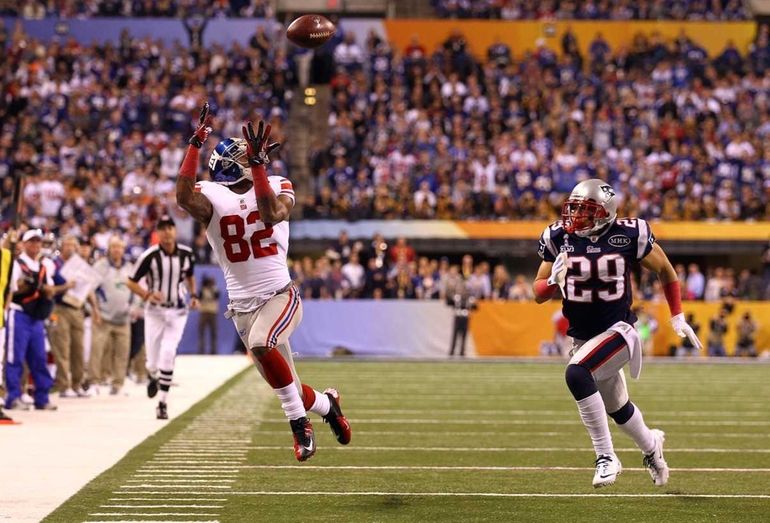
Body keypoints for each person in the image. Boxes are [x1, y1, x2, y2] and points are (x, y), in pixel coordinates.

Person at [175, 103, 351, 461]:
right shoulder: (212, 196)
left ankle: (299, 427)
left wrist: (256, 167)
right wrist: (195, 144)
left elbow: (271, 214)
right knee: (284, 382)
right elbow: (182, 196)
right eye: (247, 153)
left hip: (279, 296)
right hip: (240, 308)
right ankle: (326, 404)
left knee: (261, 344)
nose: (253, 153)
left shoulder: (275, 183)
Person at [533, 179, 702, 488]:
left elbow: (665, 269)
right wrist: (553, 282)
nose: (576, 217)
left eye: (586, 211)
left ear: (606, 213)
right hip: (584, 339)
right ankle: (652, 447)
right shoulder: (558, 237)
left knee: (576, 374)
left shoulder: (628, 234)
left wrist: (677, 315)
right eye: (574, 209)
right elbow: (538, 292)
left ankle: (606, 456)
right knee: (618, 408)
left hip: (619, 332)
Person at [125, 215, 198, 419]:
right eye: (163, 228)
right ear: (157, 232)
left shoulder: (186, 254)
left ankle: (162, 403)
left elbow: (190, 275)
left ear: (175, 231)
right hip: (155, 312)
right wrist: (147, 294)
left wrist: (193, 295)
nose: (167, 232)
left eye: (170, 228)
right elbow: (130, 281)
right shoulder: (149, 256)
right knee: (152, 361)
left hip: (177, 310)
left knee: (168, 351)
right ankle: (152, 374)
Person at [5, 229, 73, 411]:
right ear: (24, 244)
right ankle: (13, 396)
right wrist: (27, 287)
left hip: (37, 316)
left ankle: (42, 397)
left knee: (39, 358)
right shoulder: (17, 264)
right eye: (31, 241)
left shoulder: (45, 265)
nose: (35, 245)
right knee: (15, 357)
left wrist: (48, 289)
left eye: (38, 242)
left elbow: (51, 287)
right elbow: (11, 289)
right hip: (19, 313)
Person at [49, 235, 100, 397]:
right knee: (62, 349)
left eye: (73, 245)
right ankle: (64, 386)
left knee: (79, 349)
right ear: (61, 246)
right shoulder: (54, 264)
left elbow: (88, 290)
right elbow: (48, 288)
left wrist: (95, 309)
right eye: (67, 245)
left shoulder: (80, 265)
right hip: (59, 308)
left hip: (77, 308)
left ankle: (77, 384)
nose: (70, 248)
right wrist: (65, 286)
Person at [90, 235, 134, 394]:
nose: (117, 250)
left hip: (123, 318)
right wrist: (95, 310)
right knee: (97, 351)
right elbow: (90, 289)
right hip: (104, 317)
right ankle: (94, 382)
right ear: (109, 248)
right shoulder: (100, 266)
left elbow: (136, 289)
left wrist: (134, 307)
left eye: (120, 247)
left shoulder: (129, 267)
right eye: (114, 246)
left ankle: (118, 384)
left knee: (122, 353)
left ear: (123, 249)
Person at [197, 275, 220, 354]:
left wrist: (212, 287)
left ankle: (213, 350)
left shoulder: (214, 289)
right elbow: (199, 298)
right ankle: (201, 350)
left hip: (212, 312)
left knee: (213, 332)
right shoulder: (202, 290)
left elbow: (216, 296)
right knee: (201, 332)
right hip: (203, 312)